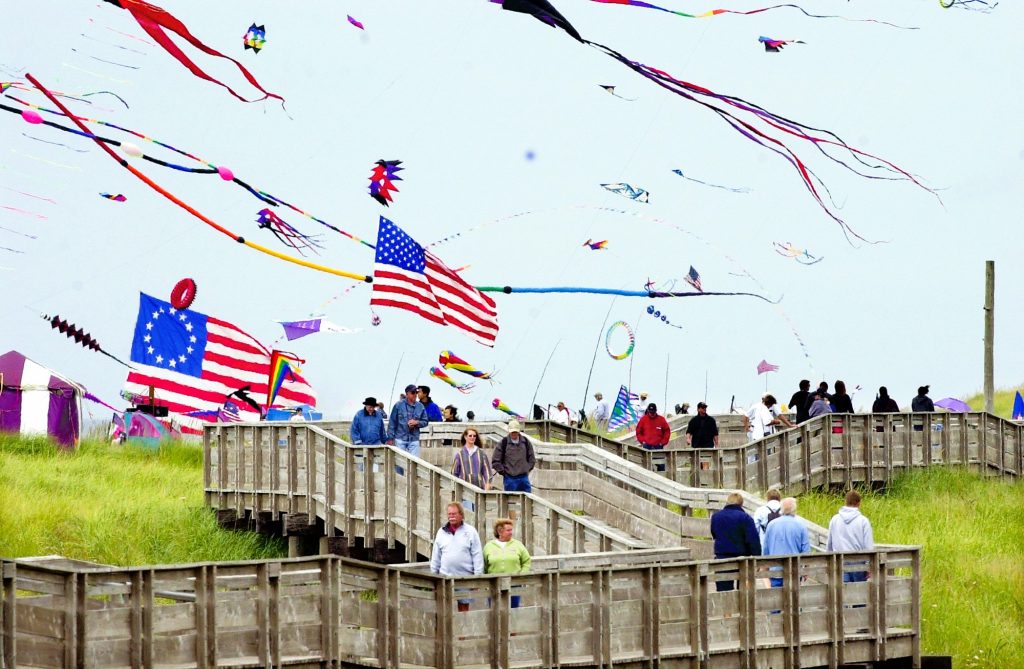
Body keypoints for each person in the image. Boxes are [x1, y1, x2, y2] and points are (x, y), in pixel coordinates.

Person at [430, 502, 484, 611]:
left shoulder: (471, 531)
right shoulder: (441, 532)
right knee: (444, 609)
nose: (451, 516)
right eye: (449, 514)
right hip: (445, 577)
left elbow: (477, 554)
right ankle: (446, 628)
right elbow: (436, 555)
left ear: (461, 515)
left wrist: (478, 576)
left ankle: (463, 628)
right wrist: (433, 576)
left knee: (464, 609)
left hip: (464, 578)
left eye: (454, 514)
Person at [710, 492, 761, 591]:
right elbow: (753, 540)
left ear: (727, 503)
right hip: (742, 559)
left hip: (722, 558)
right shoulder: (745, 518)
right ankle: (741, 606)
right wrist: (757, 558)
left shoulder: (716, 517)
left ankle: (726, 606)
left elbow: (714, 534)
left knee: (723, 593)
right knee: (744, 592)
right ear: (741, 504)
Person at [762, 497, 811, 587]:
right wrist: (806, 570)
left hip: (775, 570)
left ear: (781, 509)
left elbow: (766, 549)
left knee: (776, 598)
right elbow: (806, 550)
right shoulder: (801, 526)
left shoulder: (771, 525)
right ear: (794, 509)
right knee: (794, 598)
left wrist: (765, 568)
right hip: (794, 571)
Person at [827, 490, 874, 582]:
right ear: (858, 503)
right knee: (859, 593)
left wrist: (829, 562)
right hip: (859, 562)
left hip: (839, 560)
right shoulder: (863, 521)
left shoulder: (835, 520)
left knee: (843, 593)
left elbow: (829, 544)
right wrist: (869, 566)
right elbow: (868, 547)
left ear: (846, 502)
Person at [483, 518, 531, 608]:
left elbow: (526, 561)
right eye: (508, 530)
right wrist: (486, 581)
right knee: (494, 612)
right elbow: (484, 565)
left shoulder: (518, 545)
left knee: (513, 611)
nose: (511, 532)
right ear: (500, 531)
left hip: (514, 584)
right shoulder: (488, 546)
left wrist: (522, 575)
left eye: (511, 530)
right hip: (494, 585)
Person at [491, 419, 536, 492]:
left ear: (518, 431)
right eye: (512, 432)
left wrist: (527, 468)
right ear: (509, 431)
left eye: (515, 432)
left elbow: (532, 459)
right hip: (509, 479)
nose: (514, 434)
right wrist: (504, 472)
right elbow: (495, 461)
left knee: (527, 501)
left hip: (524, 478)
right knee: (511, 502)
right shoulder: (503, 443)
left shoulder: (526, 442)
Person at [388, 384, 430, 459]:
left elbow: (425, 421)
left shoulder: (420, 406)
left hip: (414, 439)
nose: (415, 395)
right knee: (399, 462)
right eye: (413, 392)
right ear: (407, 394)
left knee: (415, 462)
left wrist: (416, 423)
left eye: (416, 392)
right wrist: (390, 438)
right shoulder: (398, 405)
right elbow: (392, 422)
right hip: (400, 439)